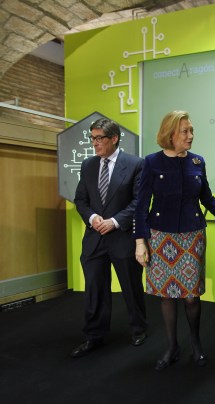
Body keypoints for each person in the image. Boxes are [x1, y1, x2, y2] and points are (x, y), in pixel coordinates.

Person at [134, 110, 215, 370]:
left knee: (191, 296)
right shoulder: (151, 162)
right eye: (185, 131)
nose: (191, 136)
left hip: (192, 236)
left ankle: (195, 343)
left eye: (191, 131)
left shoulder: (197, 162)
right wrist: (140, 241)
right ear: (170, 134)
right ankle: (171, 347)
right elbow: (141, 206)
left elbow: (207, 198)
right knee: (166, 296)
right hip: (160, 236)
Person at [71, 118, 148, 358]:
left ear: (114, 138)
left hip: (123, 237)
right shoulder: (88, 165)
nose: (94, 143)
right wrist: (93, 217)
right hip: (94, 239)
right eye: (92, 138)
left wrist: (114, 222)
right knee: (95, 289)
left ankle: (138, 330)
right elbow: (81, 200)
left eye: (98, 138)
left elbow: (139, 202)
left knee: (131, 288)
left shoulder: (136, 165)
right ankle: (94, 335)